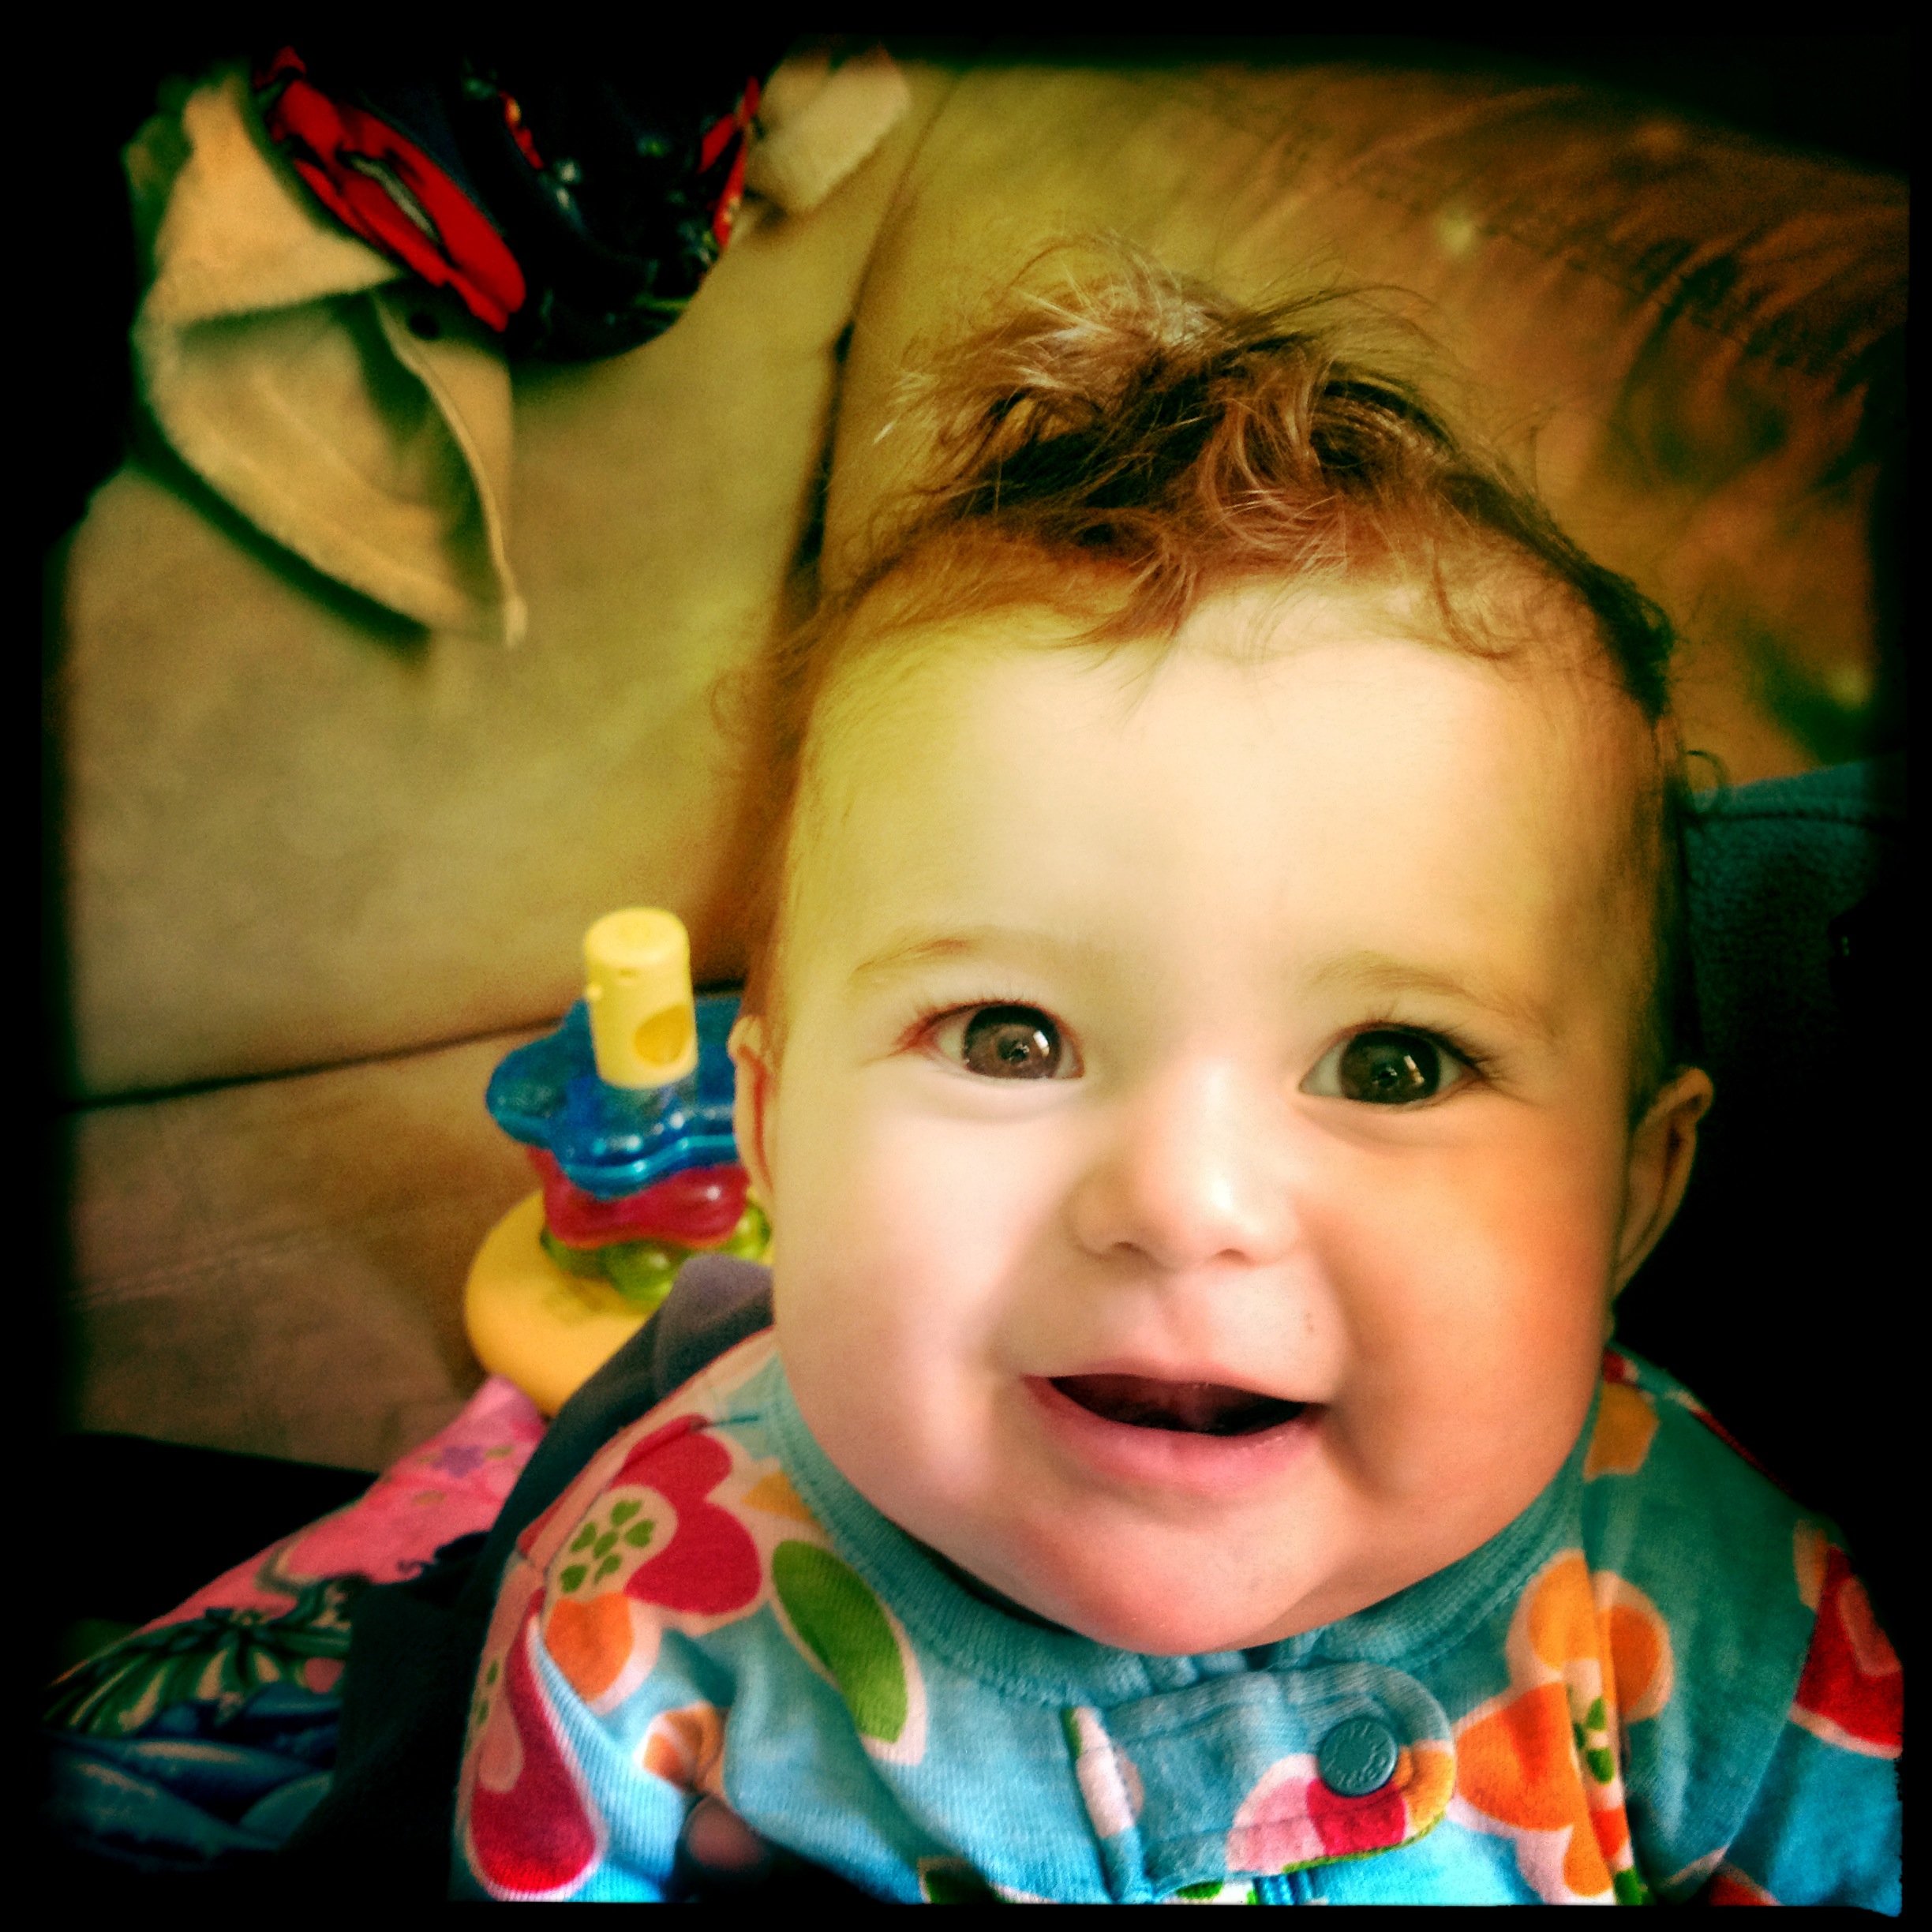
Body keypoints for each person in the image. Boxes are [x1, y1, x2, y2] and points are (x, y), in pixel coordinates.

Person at [451, 252, 1900, 1904]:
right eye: (1008, 1037)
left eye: (1393, 1063)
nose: (1181, 1201)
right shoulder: (640, 1620)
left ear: (1629, 1196)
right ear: (774, 1134)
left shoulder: (1743, 1632)